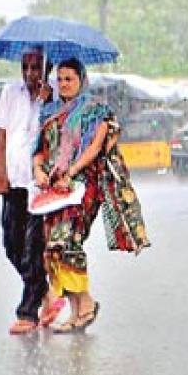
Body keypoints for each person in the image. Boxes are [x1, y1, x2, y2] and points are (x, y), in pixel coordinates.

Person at [32, 57, 150, 334]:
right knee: (50, 249)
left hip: (84, 186)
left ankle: (85, 306)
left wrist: (71, 171)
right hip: (54, 189)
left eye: (69, 79)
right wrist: (38, 169)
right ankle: (80, 309)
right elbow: (40, 150)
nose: (63, 84)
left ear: (81, 80)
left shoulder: (95, 110)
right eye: (59, 79)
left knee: (66, 242)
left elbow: (95, 147)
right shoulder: (49, 113)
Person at [0, 46, 53, 335]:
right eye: (25, 67)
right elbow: (1, 133)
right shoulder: (10, 92)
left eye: (36, 67)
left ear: (46, 68)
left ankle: (28, 311)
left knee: (33, 247)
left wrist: (48, 103)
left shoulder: (54, 97)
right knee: (11, 245)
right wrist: (0, 173)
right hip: (13, 180)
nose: (30, 74)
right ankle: (42, 288)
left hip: (40, 182)